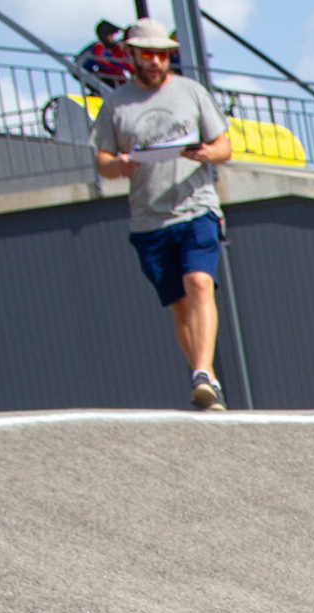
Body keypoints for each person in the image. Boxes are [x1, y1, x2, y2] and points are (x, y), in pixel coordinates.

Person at [92, 19, 234, 411]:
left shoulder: (191, 92)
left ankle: (202, 372)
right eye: (147, 54)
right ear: (131, 55)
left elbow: (224, 146)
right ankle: (206, 380)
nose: (155, 61)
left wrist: (205, 153)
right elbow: (102, 160)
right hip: (149, 218)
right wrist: (119, 165)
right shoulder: (116, 104)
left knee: (199, 282)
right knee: (179, 303)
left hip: (196, 206)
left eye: (162, 55)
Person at [79, 20, 132, 88]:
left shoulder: (109, 48)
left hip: (89, 71)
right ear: (105, 36)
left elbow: (119, 60)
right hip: (82, 71)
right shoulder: (98, 46)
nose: (113, 39)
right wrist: (121, 68)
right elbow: (103, 61)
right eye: (111, 36)